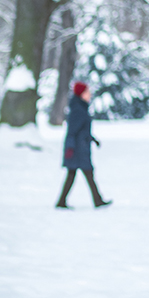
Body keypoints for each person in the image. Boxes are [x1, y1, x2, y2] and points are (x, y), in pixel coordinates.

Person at [55, 81, 111, 209]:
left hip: (80, 147)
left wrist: (92, 139)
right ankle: (97, 200)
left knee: (73, 175)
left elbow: (82, 130)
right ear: (81, 93)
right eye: (87, 92)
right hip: (77, 150)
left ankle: (62, 201)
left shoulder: (80, 107)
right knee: (86, 173)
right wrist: (70, 148)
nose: (89, 94)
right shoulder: (78, 110)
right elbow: (72, 131)